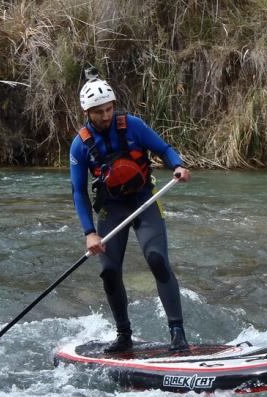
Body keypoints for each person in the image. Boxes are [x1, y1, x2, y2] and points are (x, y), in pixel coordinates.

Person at [69, 69, 191, 353]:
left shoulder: (132, 125)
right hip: (111, 208)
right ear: (87, 112)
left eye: (109, 109)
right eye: (99, 112)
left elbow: (164, 148)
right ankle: (124, 335)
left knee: (156, 258)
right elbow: (78, 191)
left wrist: (178, 164)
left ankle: (177, 333)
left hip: (144, 200)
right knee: (110, 272)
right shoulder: (80, 145)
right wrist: (89, 233)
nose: (106, 115)